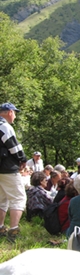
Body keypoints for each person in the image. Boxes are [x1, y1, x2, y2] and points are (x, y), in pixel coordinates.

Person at [0, 102, 27, 242]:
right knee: (18, 198)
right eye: (15, 113)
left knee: (2, 198)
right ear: (10, 112)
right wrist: (22, 159)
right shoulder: (4, 126)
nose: (15, 116)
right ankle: (13, 231)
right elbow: (14, 147)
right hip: (7, 168)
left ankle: (0, 228)